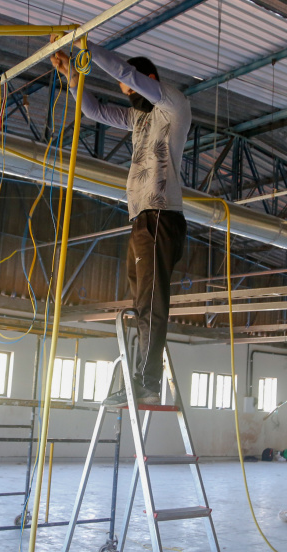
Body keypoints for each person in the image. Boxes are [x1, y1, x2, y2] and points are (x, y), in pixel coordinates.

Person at [50, 39, 190, 406]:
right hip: (141, 220)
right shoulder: (138, 118)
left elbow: (127, 73)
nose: (127, 96)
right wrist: (71, 76)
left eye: (130, 89)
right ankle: (138, 377)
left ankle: (148, 382)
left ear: (148, 79)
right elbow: (95, 111)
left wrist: (88, 50)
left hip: (162, 216)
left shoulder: (173, 105)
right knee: (139, 302)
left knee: (151, 302)